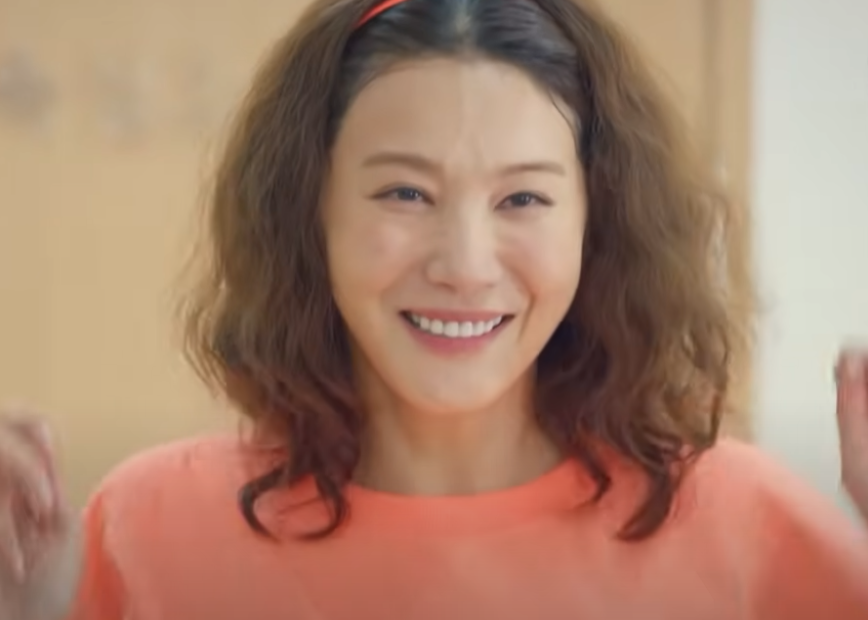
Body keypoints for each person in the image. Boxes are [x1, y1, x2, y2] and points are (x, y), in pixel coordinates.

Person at [1, 0, 867, 618]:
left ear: (596, 223)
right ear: (311, 210)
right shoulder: (148, 529)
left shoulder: (748, 528)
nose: (464, 266)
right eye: (406, 193)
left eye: (522, 200)